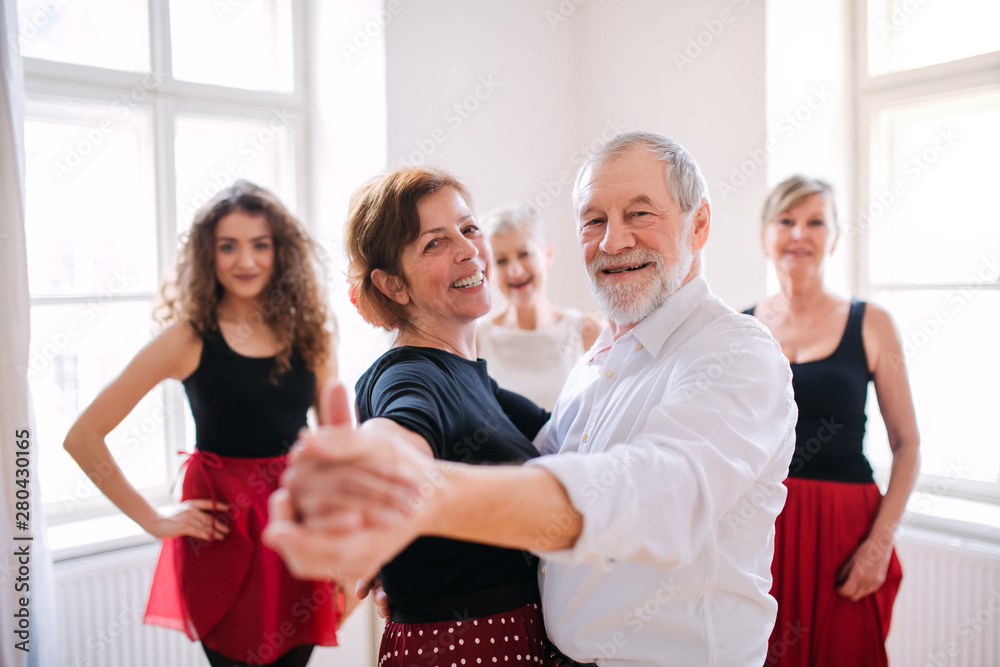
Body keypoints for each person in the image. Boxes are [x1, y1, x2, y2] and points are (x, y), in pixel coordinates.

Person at [266, 131, 799, 666]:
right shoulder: (599, 363)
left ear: (698, 223)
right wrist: (414, 543)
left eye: (640, 214)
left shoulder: (735, 352)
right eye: (594, 220)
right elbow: (494, 454)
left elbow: (656, 494)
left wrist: (417, 501)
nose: (613, 242)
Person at [63, 180, 344, 667]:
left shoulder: (311, 333)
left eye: (260, 245)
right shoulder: (187, 337)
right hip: (221, 534)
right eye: (228, 247)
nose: (246, 261)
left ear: (281, 252)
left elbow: (341, 447)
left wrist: (347, 550)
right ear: (207, 256)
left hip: (296, 523)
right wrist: (152, 519)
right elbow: (83, 438)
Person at [318, 166, 550, 665]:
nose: (469, 250)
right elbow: (397, 435)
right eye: (434, 243)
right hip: (463, 651)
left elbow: (573, 436)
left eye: (469, 229)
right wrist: (375, 467)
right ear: (393, 285)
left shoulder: (473, 377)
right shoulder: (409, 375)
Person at [744, 176, 919, 667]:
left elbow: (907, 444)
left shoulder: (873, 323)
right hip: (762, 528)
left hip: (847, 528)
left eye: (815, 221)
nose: (799, 233)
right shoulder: (739, 329)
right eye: (786, 221)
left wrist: (878, 544)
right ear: (764, 235)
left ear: (835, 237)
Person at [477, 204, 603, 409]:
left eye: (525, 254)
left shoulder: (587, 331)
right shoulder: (477, 339)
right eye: (500, 261)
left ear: (548, 255)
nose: (515, 270)